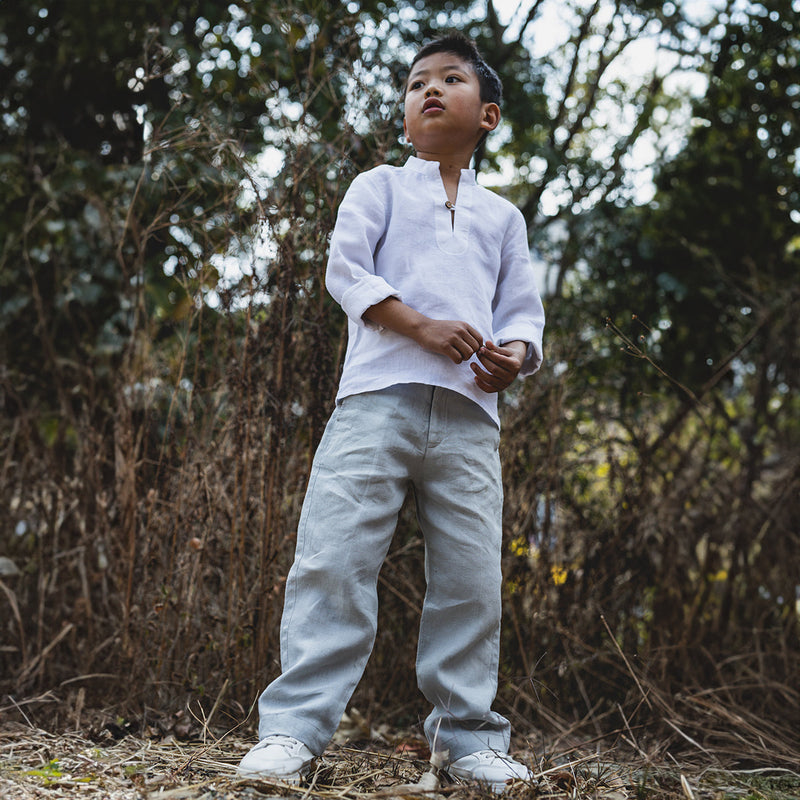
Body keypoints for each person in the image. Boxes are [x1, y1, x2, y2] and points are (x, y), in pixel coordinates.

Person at [237, 32, 545, 794]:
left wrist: (513, 357)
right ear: (406, 113)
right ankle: (292, 733)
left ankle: (469, 741)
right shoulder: (377, 186)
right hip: (374, 401)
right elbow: (347, 272)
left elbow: (523, 312)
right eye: (415, 84)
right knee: (334, 561)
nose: (429, 91)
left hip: (472, 420)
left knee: (471, 581)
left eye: (450, 80)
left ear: (489, 115)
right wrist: (422, 326)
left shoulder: (502, 216)